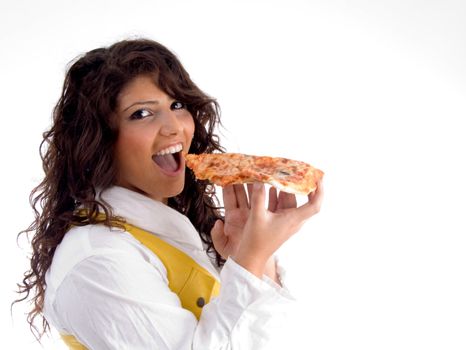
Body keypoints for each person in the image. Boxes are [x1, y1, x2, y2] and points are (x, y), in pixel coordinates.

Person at [15, 38, 323, 349]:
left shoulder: (177, 231)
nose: (174, 127)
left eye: (177, 105)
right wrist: (250, 261)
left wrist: (255, 258)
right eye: (141, 114)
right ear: (99, 140)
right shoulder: (99, 260)